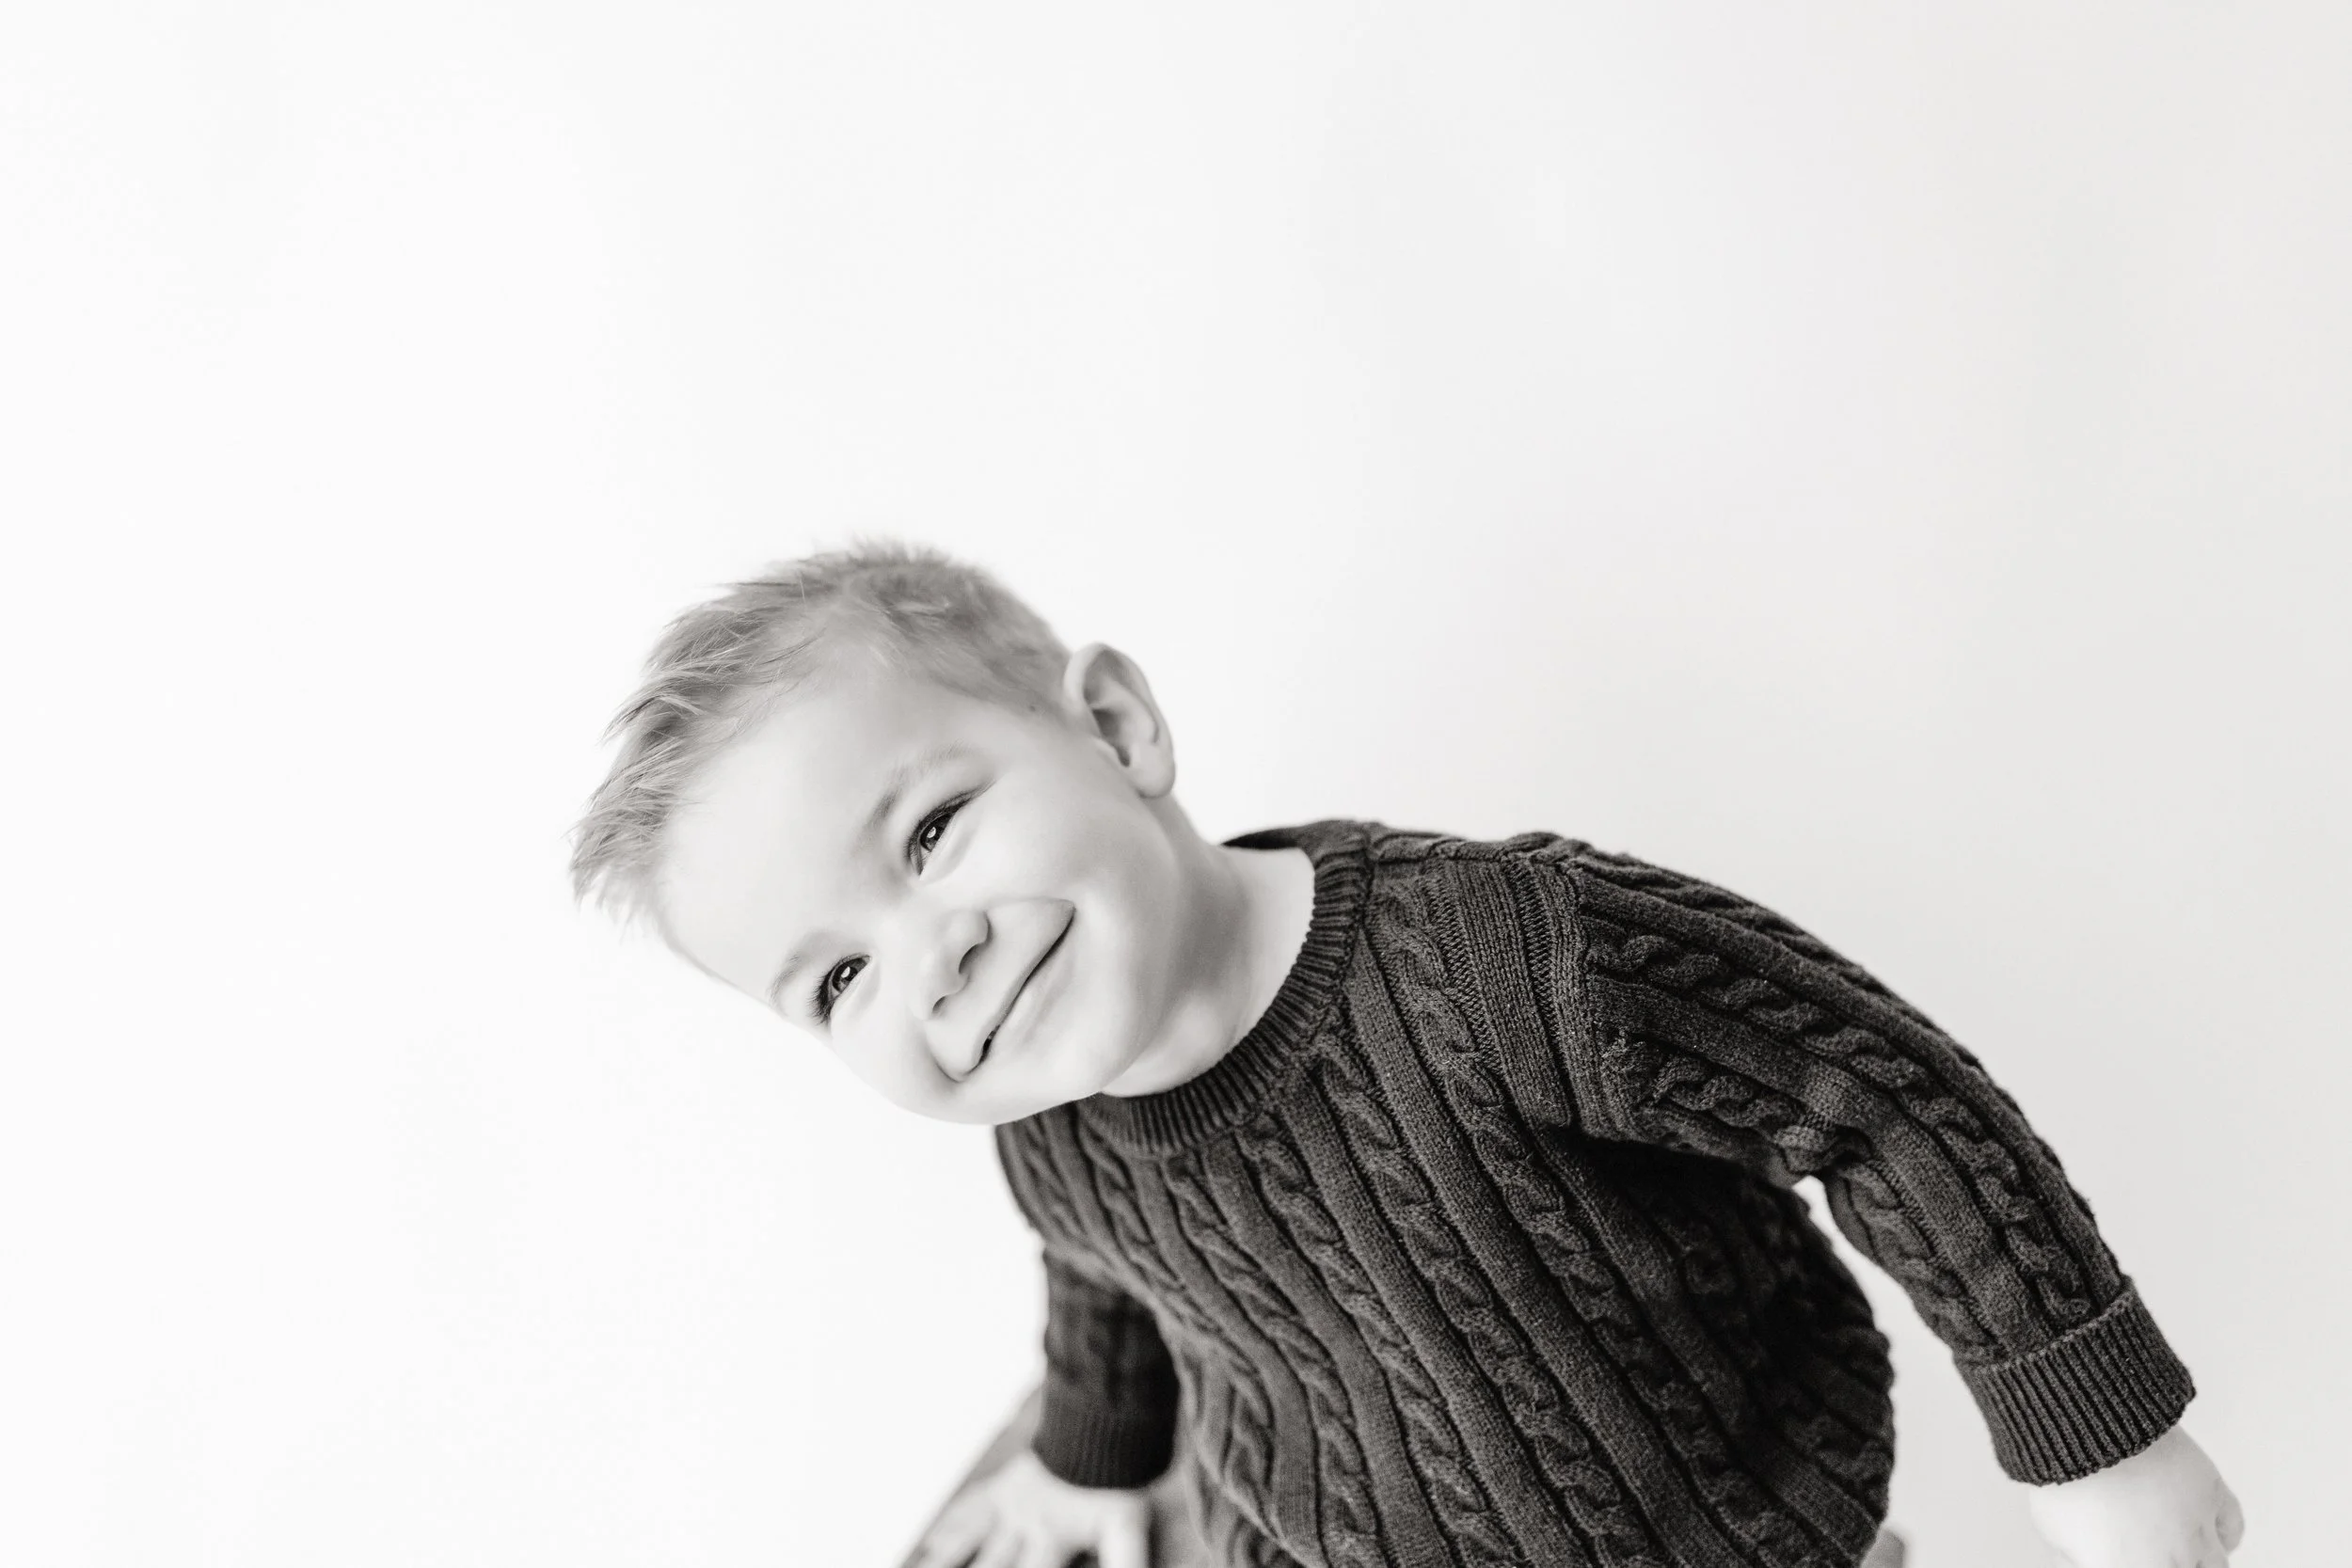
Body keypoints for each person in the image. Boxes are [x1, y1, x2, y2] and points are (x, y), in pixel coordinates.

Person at [569, 540, 2244, 1568]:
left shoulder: (1501, 958)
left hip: (1712, 1522)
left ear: (1117, 727)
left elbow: (1878, 1093)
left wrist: (2095, 1435)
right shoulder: (1048, 1127)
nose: (936, 962)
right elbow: (1109, 1274)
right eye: (838, 975)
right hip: (1315, 1519)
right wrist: (1094, 1458)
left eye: (933, 830)